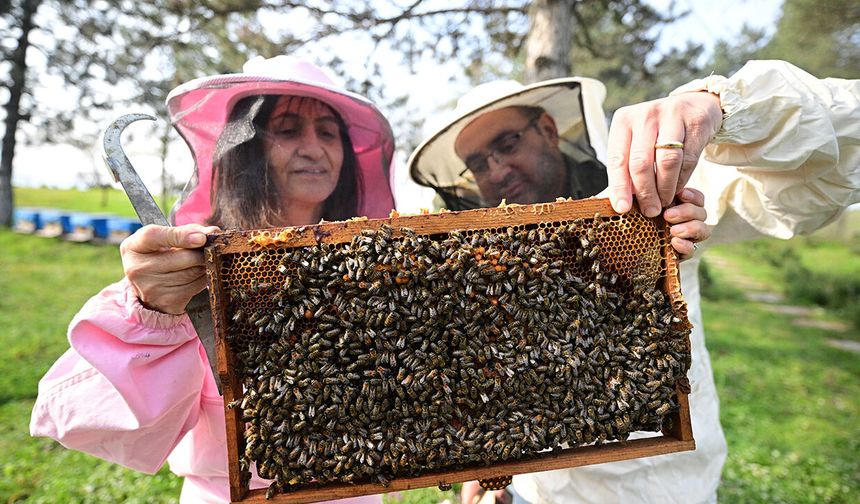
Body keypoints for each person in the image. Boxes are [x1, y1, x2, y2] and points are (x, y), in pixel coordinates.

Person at [408, 60, 860, 503]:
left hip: (667, 492)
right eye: (478, 163)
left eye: (507, 143)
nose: (497, 170)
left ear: (547, 129)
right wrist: (489, 468)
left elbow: (835, 160)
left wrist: (719, 106)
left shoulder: (654, 192)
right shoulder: (483, 262)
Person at [29, 55, 395, 504]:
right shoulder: (193, 261)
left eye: (327, 132)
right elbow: (86, 421)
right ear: (248, 148)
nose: (313, 147)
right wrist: (154, 310)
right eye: (287, 129)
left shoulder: (380, 269)